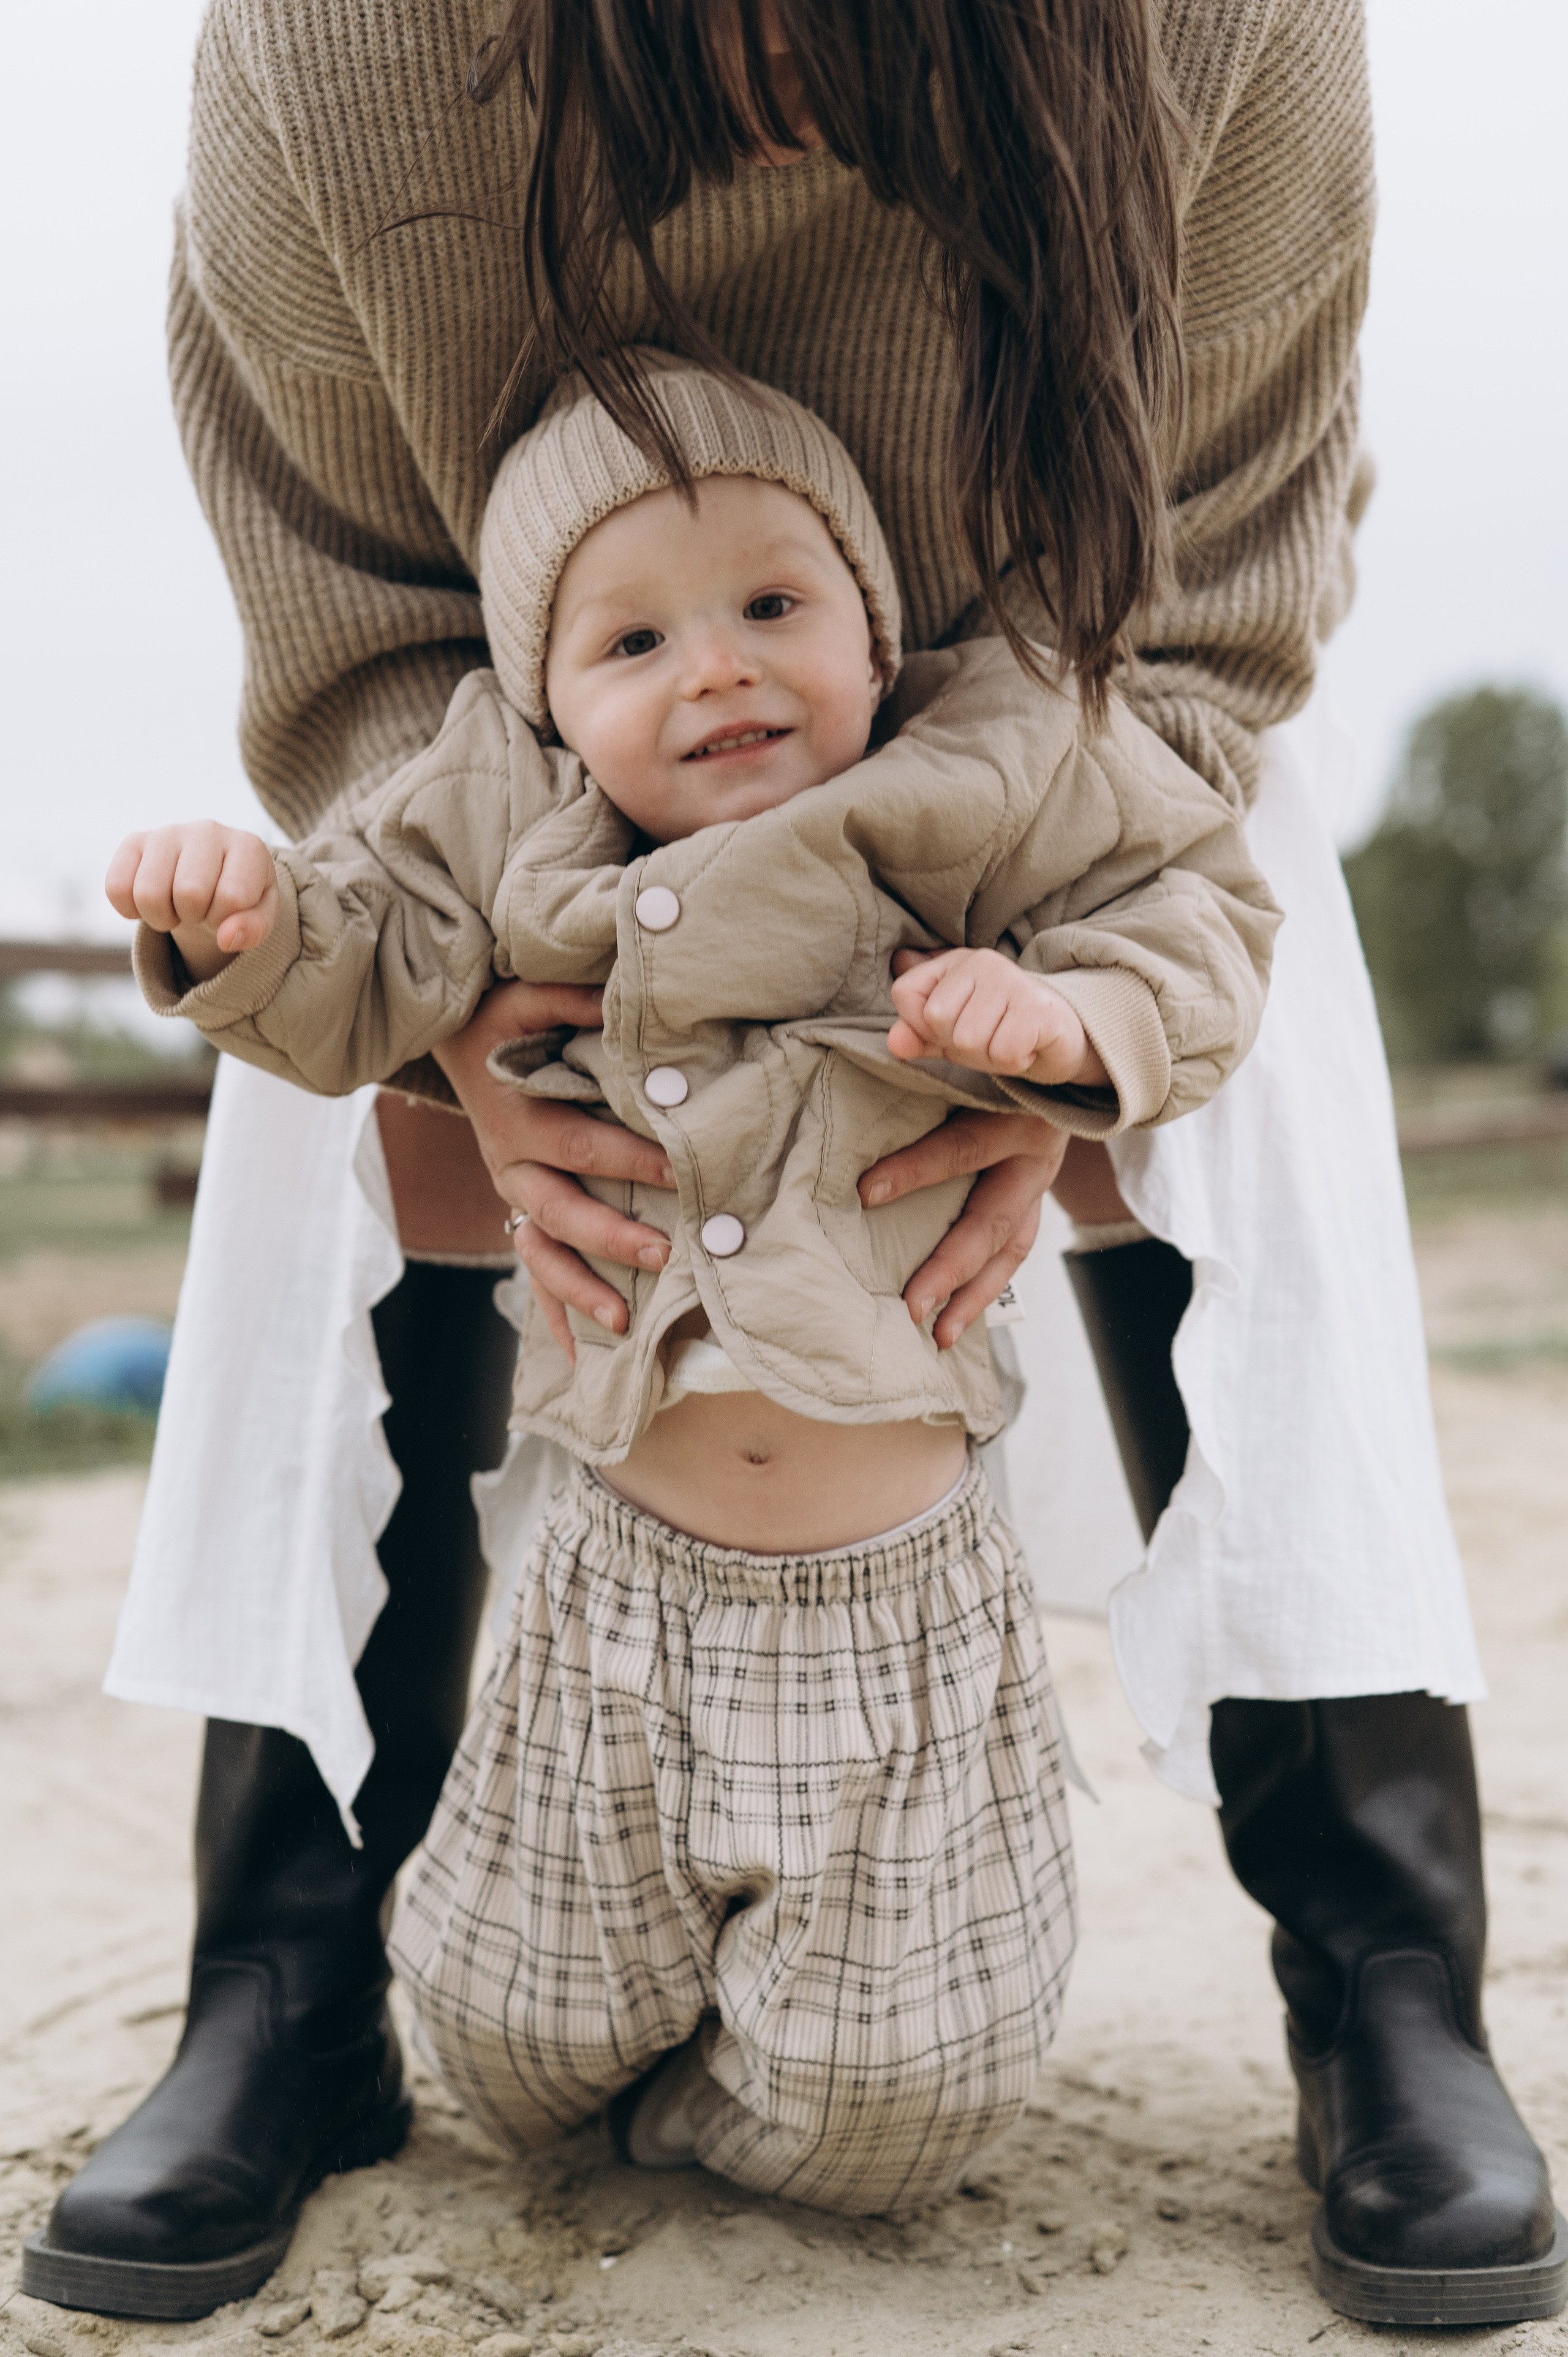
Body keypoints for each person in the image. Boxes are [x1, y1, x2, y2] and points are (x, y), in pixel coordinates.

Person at [22, 0, 1564, 2330]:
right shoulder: (331, 43)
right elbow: (348, 606)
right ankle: (292, 1956)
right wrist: (457, 1027)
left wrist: (1061, 1010)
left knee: (1269, 1014)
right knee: (316, 1040)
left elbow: (1227, 576)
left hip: (1056, 735)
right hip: (539, 755)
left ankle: (1379, 1960)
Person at [107, 354, 1275, 2214]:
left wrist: (1069, 1021)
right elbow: (358, 952)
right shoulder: (508, 824)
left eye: (773, 607)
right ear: (553, 704)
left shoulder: (982, 776)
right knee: (513, 2032)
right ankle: (627, 2082)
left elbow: (1196, 907)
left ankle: (747, 2107)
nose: (717, 665)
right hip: (604, 1599)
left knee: (903, 2107)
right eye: (633, 641)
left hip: (904, 1608)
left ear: (877, 636)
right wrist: (236, 921)